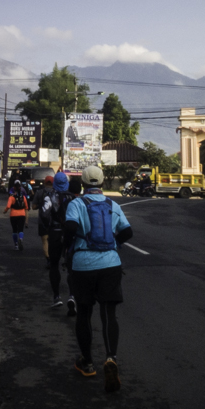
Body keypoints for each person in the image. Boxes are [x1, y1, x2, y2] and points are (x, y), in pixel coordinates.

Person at [64, 166, 133, 393]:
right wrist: (113, 240)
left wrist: (68, 245)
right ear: (102, 182)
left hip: (83, 264)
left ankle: (87, 362)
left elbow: (71, 227)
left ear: (83, 183)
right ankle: (111, 358)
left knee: (84, 313)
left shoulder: (76, 204)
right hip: (111, 264)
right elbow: (127, 232)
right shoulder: (113, 205)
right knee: (108, 314)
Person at [46, 172, 78, 313]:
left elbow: (43, 213)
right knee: (71, 267)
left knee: (54, 265)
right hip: (70, 234)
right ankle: (71, 296)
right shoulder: (73, 198)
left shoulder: (50, 196)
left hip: (54, 233)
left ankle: (57, 296)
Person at [32, 175, 55, 268]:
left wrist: (40, 205)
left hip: (42, 220)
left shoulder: (39, 192)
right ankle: (54, 259)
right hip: (54, 221)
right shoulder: (56, 193)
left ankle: (48, 259)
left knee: (45, 241)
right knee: (53, 241)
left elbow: (33, 207)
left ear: (45, 183)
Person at [3, 180, 29, 250]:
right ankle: (21, 238)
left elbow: (8, 206)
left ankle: (16, 245)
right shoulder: (23, 197)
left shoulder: (11, 197)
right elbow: (26, 207)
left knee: (14, 230)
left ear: (14, 187)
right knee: (20, 229)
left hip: (13, 215)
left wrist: (5, 211)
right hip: (22, 215)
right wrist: (26, 220)